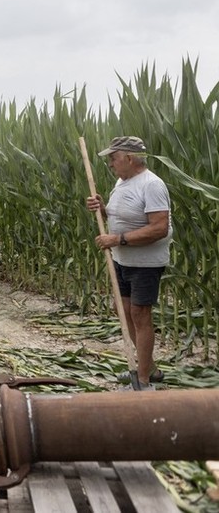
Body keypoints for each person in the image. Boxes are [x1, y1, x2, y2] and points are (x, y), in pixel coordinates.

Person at [85, 136, 172, 390]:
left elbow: (159, 228)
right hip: (121, 259)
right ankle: (151, 368)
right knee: (123, 311)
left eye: (113, 158)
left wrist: (117, 239)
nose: (110, 164)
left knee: (139, 315)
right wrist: (101, 209)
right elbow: (120, 216)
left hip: (145, 263)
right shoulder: (121, 183)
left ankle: (143, 380)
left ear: (130, 158)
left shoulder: (152, 185)